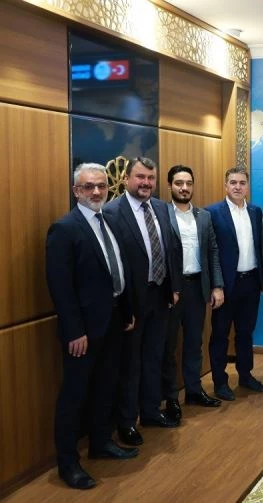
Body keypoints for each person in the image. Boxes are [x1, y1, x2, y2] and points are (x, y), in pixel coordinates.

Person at [46, 163, 138, 489]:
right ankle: (68, 464)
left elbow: (118, 271)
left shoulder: (108, 221)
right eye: (88, 186)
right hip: (83, 331)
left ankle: (101, 442)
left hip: (113, 322)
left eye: (101, 186)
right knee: (74, 396)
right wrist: (74, 331)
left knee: (106, 386)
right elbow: (60, 286)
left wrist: (126, 312)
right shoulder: (64, 229)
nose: (96, 191)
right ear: (76, 191)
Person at [104, 156, 182, 445]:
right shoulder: (112, 212)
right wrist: (123, 305)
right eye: (140, 177)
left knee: (154, 357)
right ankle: (127, 421)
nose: (146, 183)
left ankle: (150, 411)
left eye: (150, 178)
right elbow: (112, 263)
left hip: (160, 295)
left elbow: (171, 250)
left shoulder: (161, 207)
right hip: (131, 301)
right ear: (126, 179)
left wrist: (173, 287)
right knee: (131, 363)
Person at [162, 165, 225, 418]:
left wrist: (217, 285)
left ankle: (194, 390)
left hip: (197, 288)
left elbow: (213, 252)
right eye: (179, 183)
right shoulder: (161, 214)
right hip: (171, 291)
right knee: (168, 346)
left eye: (188, 183)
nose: (184, 188)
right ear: (170, 186)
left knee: (193, 343)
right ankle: (170, 398)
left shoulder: (204, 216)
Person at [207, 167, 263, 401]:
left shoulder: (255, 212)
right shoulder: (212, 213)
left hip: (251, 282)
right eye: (233, 182)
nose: (238, 187)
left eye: (242, 183)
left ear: (247, 186)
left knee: (245, 333)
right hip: (225, 286)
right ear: (226, 185)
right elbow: (210, 253)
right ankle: (220, 382)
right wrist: (216, 285)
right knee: (220, 334)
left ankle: (245, 375)